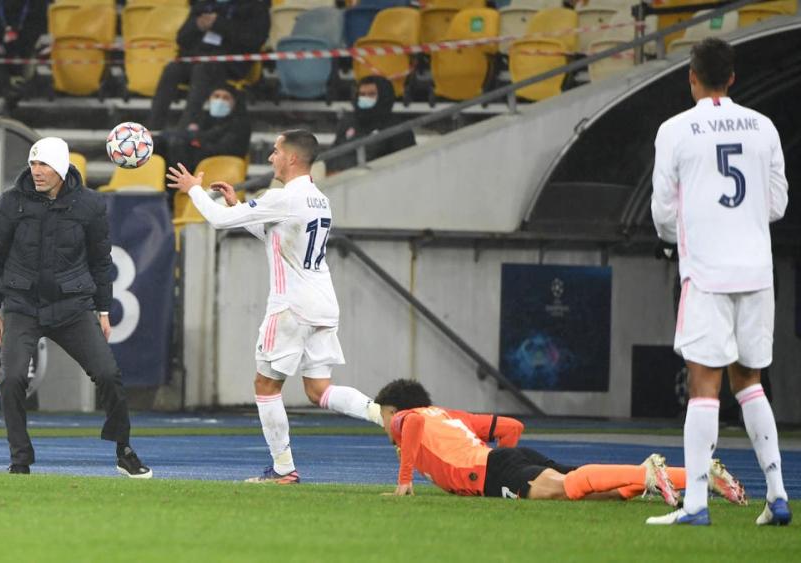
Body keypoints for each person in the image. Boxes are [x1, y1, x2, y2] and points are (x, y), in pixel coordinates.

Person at [166, 129, 384, 484]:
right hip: (323, 303)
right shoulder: (318, 198)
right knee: (319, 391)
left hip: (290, 307)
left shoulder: (284, 197)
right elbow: (276, 235)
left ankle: (283, 469)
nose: (271, 157)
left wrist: (192, 187)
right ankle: (385, 415)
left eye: (276, 151)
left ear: (292, 158)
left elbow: (218, 221)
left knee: (266, 386)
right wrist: (239, 207)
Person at [648, 38, 791, 526]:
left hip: (706, 273)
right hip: (755, 272)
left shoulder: (675, 131)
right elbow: (776, 205)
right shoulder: (764, 127)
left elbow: (663, 213)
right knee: (750, 382)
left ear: (692, 76)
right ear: (732, 78)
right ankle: (777, 497)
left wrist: (681, 237)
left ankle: (696, 505)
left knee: (704, 386)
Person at [0, 137, 152, 478]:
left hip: (72, 306)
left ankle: (124, 449)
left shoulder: (89, 205)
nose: (37, 171)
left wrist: (103, 310)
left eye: (44, 164)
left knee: (108, 374)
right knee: (12, 378)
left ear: (61, 167)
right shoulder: (10, 202)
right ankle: (20, 459)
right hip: (22, 305)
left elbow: (100, 261)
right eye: (33, 164)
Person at [374, 379, 747, 505]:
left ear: (395, 409)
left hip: (491, 472)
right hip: (505, 458)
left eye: (384, 414)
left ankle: (649, 471)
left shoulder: (408, 418)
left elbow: (410, 427)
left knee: (567, 489)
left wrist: (404, 481)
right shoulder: (447, 414)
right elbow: (510, 426)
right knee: (594, 492)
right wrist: (506, 458)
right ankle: (700, 476)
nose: (384, 422)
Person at [146, 0, 269, 130]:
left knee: (203, 70)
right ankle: (153, 127)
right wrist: (197, 25)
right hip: (196, 57)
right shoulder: (203, 4)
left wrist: (219, 24)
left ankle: (185, 128)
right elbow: (181, 38)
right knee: (172, 69)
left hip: (230, 62)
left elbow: (254, 40)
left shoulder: (256, 6)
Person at [153, 84, 252, 176]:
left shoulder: (240, 124)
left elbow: (224, 148)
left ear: (234, 102)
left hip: (221, 164)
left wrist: (198, 141)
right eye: (216, 96)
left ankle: (173, 188)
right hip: (197, 160)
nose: (220, 100)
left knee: (180, 146)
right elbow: (191, 136)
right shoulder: (203, 118)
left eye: (226, 98)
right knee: (160, 144)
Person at [326, 75, 416, 173]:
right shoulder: (348, 121)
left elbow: (405, 166)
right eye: (362, 94)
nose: (365, 98)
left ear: (384, 96)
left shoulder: (398, 129)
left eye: (371, 94)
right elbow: (333, 152)